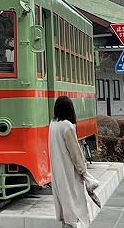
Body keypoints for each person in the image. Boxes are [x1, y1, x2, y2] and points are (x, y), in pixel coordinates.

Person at [48, 95, 89, 228]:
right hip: (68, 170)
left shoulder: (52, 124)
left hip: (57, 169)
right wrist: (83, 170)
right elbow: (75, 152)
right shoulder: (67, 126)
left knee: (63, 199)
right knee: (73, 199)